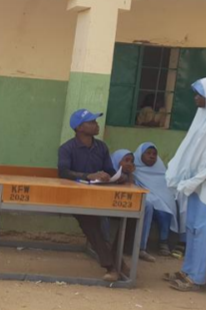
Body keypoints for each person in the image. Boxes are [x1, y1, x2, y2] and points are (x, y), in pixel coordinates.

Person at [58, 109, 129, 282]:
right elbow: (63, 172)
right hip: (77, 198)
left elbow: (110, 171)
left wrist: (119, 176)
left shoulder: (101, 147)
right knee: (90, 221)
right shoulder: (67, 148)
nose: (96, 125)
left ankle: (115, 258)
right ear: (80, 127)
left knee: (130, 216)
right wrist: (87, 176)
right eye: (92, 122)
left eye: (95, 121)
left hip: (101, 196)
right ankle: (112, 266)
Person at [164, 78, 206, 292]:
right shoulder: (201, 118)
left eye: (200, 94)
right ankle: (188, 269)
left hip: (201, 186)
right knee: (192, 229)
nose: (195, 98)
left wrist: (190, 183)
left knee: (203, 232)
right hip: (196, 188)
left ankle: (198, 278)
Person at [134, 142, 182, 258]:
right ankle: (142, 247)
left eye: (154, 154)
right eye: (148, 153)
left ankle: (163, 242)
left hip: (160, 204)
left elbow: (166, 191)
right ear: (140, 155)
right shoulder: (135, 170)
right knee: (152, 206)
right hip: (146, 202)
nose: (152, 156)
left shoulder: (161, 171)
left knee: (165, 211)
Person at [110, 149, 156, 262]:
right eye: (126, 160)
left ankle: (141, 247)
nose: (129, 164)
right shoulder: (109, 171)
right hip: (109, 204)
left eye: (131, 161)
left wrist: (130, 174)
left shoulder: (128, 175)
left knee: (148, 205)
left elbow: (131, 188)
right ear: (117, 160)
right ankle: (105, 246)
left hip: (125, 205)